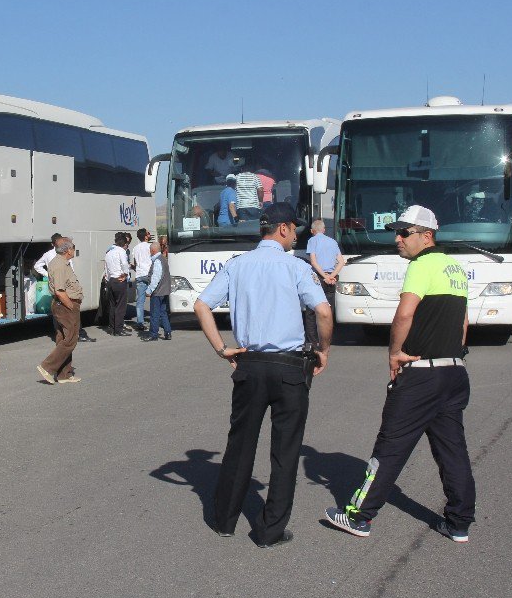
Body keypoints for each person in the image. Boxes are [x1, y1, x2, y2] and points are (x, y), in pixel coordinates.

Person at [325, 205, 475, 543]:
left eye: (404, 233)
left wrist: (394, 354)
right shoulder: (455, 267)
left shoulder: (422, 265)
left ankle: (358, 516)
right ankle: (460, 522)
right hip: (454, 372)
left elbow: (404, 315)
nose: (398, 239)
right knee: (453, 450)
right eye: (397, 231)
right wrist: (453, 352)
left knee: (391, 446)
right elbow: (464, 322)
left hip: (421, 375)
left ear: (427, 236)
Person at [195, 202, 333, 548]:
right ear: (283, 229)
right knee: (285, 451)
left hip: (249, 364)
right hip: (289, 366)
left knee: (240, 444)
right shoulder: (296, 267)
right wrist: (324, 350)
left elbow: (201, 305)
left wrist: (221, 348)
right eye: (295, 229)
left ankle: (224, 520)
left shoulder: (238, 265)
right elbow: (323, 311)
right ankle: (270, 530)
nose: (297, 236)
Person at [37, 237, 83, 384]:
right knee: (70, 339)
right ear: (68, 250)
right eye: (73, 247)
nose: (74, 250)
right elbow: (60, 290)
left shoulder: (63, 263)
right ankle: (47, 366)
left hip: (64, 305)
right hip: (65, 306)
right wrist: (70, 305)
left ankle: (64, 374)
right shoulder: (59, 265)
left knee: (63, 339)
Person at [306, 219, 345, 307]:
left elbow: (313, 262)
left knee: (315, 307)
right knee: (329, 306)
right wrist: (331, 277)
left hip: (318, 277)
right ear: (324, 230)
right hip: (332, 278)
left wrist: (325, 276)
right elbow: (341, 262)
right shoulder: (333, 241)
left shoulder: (312, 240)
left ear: (312, 231)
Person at [142, 242, 172, 342]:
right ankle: (168, 332)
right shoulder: (163, 259)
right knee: (163, 312)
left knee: (154, 313)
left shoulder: (157, 261)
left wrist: (149, 290)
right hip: (165, 291)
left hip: (158, 291)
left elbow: (156, 278)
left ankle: (153, 334)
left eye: (150, 250)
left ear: (153, 250)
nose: (150, 252)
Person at [104, 231, 131, 336]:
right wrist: (126, 274)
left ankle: (112, 327)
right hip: (119, 280)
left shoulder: (109, 252)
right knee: (120, 306)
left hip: (110, 280)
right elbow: (124, 264)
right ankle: (119, 329)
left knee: (112, 305)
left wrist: (108, 278)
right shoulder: (121, 251)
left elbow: (106, 267)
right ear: (124, 244)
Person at [130, 228, 153, 331]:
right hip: (149, 274)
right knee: (154, 298)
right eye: (148, 233)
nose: (149, 234)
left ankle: (140, 322)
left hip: (139, 275)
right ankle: (154, 320)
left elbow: (135, 263)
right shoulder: (150, 247)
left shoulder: (135, 248)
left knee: (140, 301)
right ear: (145, 236)